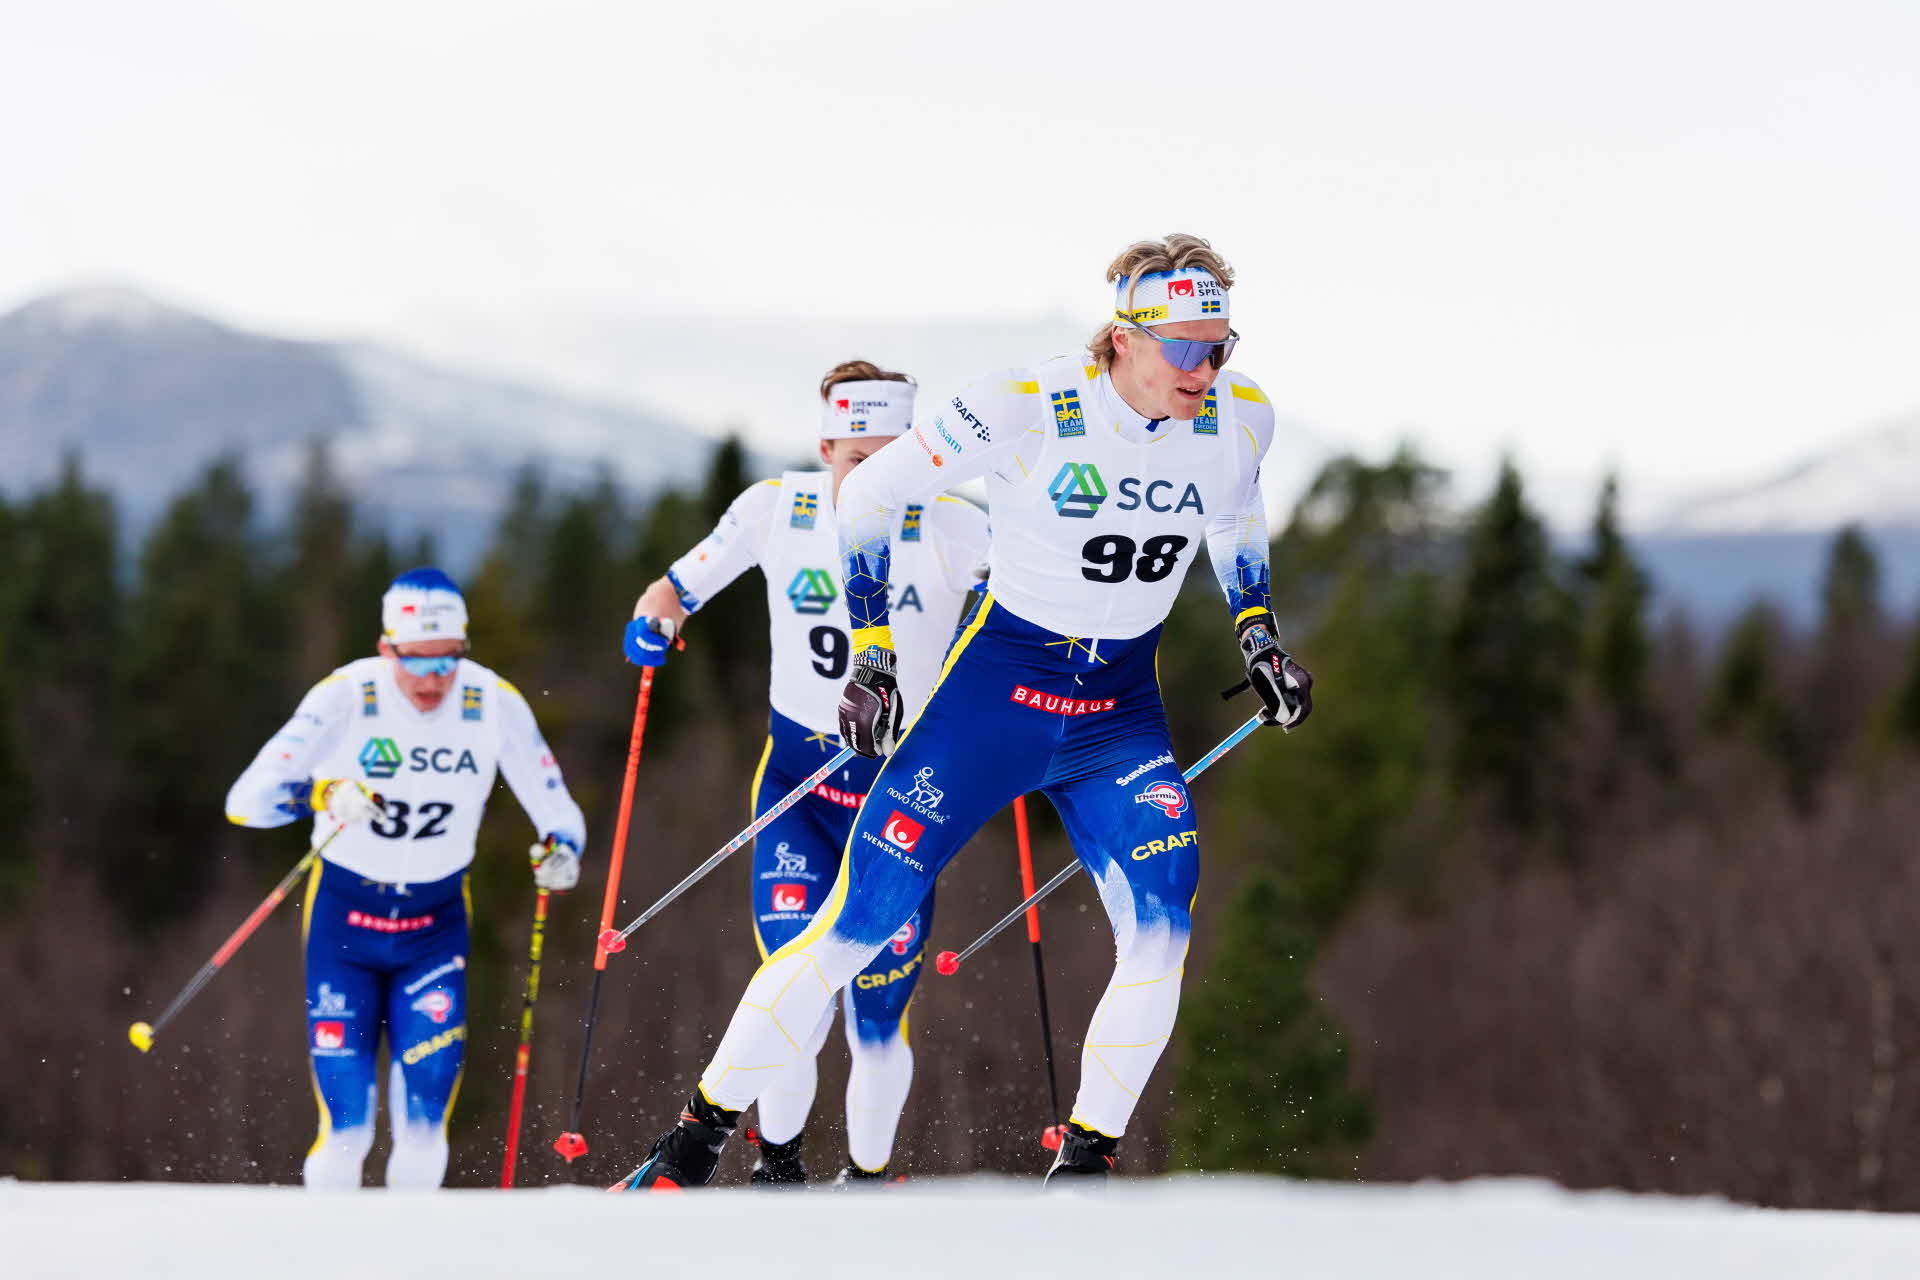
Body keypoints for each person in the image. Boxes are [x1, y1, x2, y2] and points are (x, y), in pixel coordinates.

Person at [618, 233, 1313, 1190]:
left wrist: (1257, 634)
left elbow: (1235, 511)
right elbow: (866, 496)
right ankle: (691, 1144)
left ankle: (1084, 1166)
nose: (1209, 367)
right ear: (1124, 338)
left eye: (1223, 344)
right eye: (1189, 347)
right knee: (855, 926)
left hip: (1117, 715)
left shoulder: (1242, 414)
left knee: (1165, 928)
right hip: (995, 701)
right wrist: (872, 648)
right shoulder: (1028, 404)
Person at [622, 360, 990, 1185]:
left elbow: (1031, 605)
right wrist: (653, 622)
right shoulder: (775, 510)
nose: (882, 480)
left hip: (903, 798)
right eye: (863, 462)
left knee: (876, 1019)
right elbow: (674, 588)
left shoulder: (954, 522)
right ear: (825, 448)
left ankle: (864, 1177)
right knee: (797, 987)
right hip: (801, 789)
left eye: (901, 458)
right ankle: (776, 1167)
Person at [225, 567, 586, 1190]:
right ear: (385, 647)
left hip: (434, 929)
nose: (433, 680)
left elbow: (560, 812)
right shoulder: (347, 695)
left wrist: (563, 850)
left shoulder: (490, 700)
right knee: (347, 1131)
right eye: (417, 661)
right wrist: (322, 793)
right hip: (345, 926)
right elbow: (245, 801)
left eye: (448, 661)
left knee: (422, 1128)